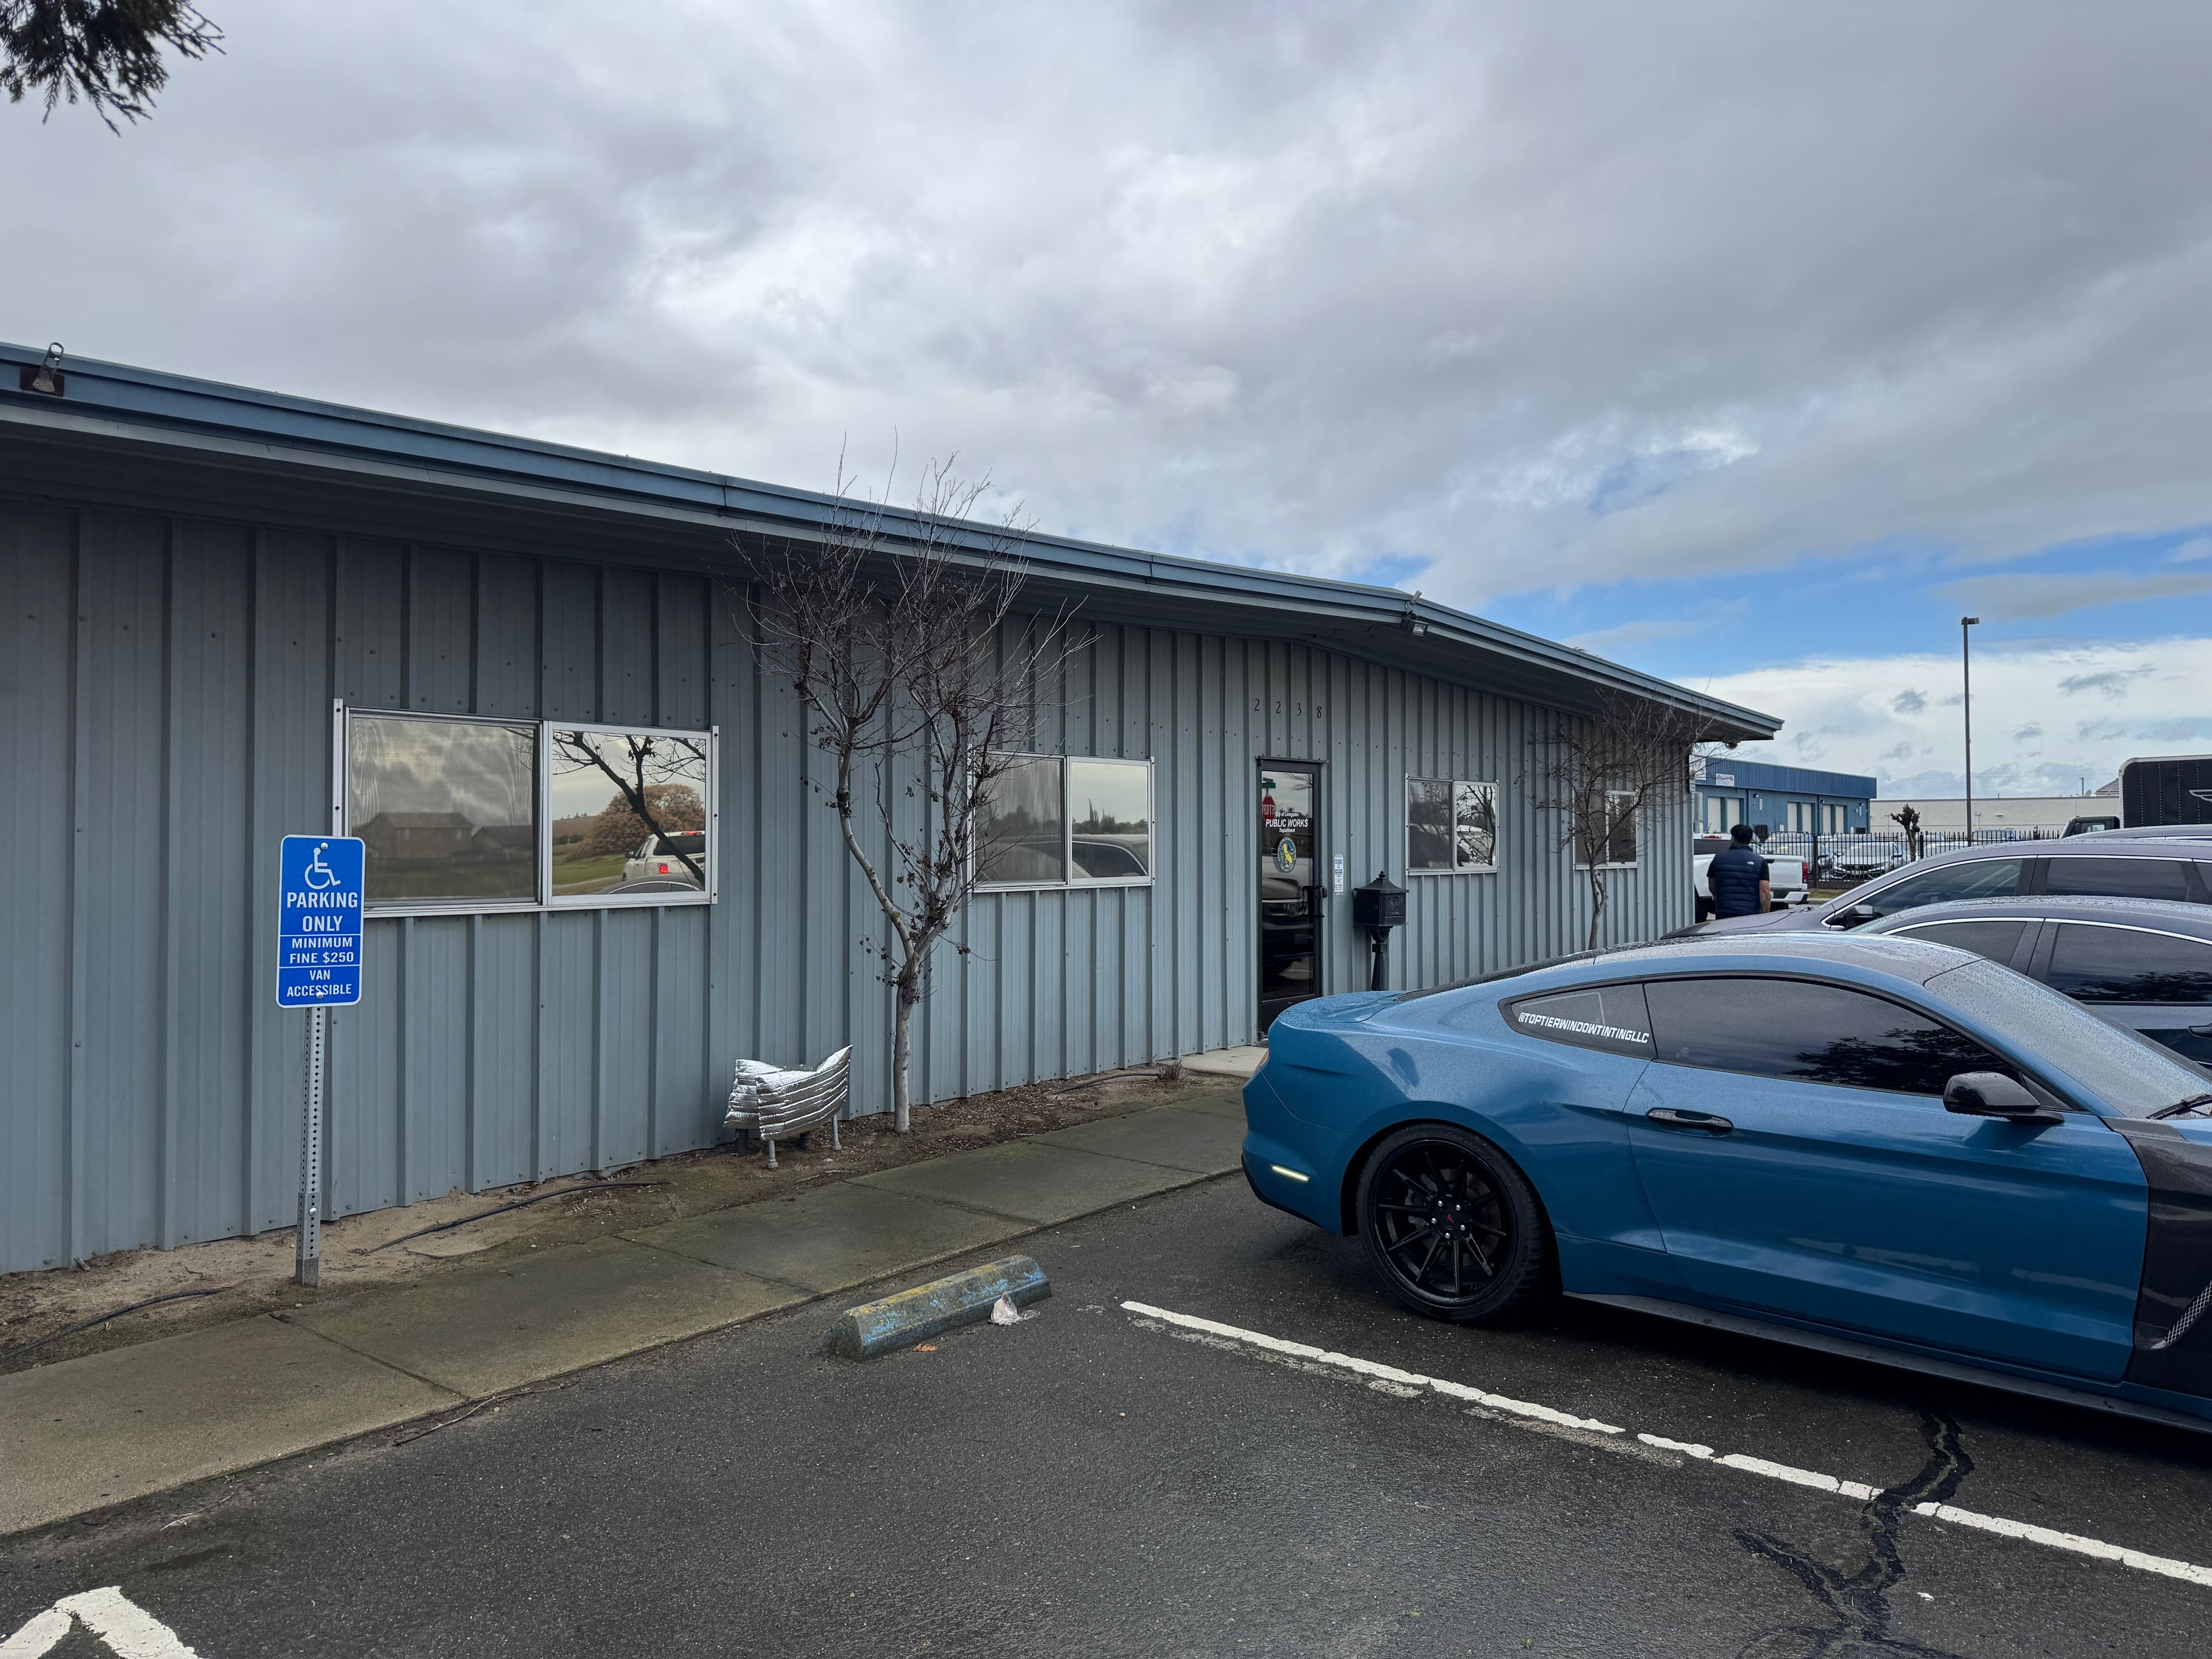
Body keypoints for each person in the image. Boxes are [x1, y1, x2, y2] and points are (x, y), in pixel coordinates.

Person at [1709, 823, 1771, 919]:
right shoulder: (1760, 861)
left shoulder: (1718, 859)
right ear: (1750, 840)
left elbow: (1712, 887)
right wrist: (1764, 916)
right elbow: (1765, 892)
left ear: (1733, 839)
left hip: (1724, 913)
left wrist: (1720, 900)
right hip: (1750, 914)